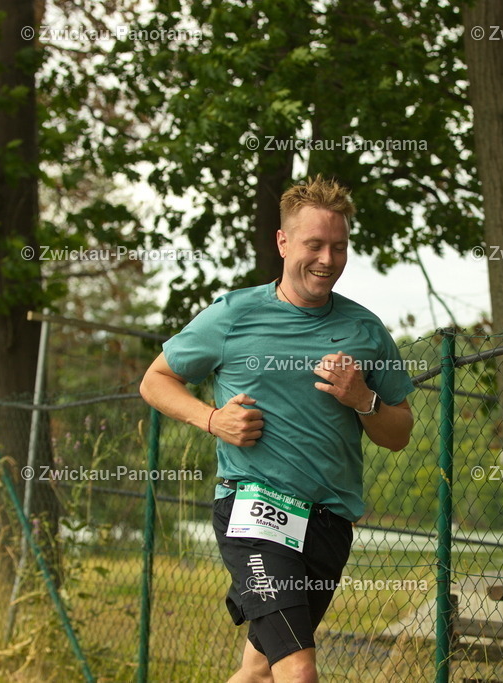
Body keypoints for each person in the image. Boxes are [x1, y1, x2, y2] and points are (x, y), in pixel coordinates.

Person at [139, 176, 415, 682]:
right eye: (314, 245)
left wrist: (363, 399)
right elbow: (155, 380)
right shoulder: (234, 315)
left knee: (259, 671)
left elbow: (398, 433)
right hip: (255, 511)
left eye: (338, 247)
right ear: (283, 242)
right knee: (299, 671)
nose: (327, 260)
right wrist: (211, 418)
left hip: (329, 522)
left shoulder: (366, 331)